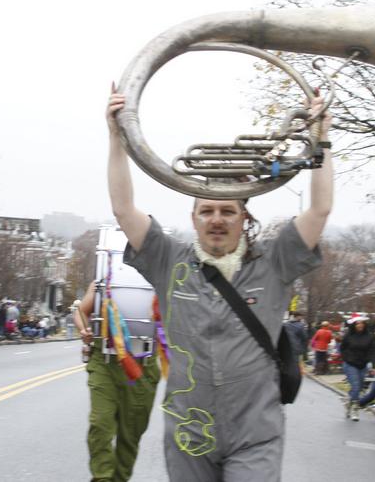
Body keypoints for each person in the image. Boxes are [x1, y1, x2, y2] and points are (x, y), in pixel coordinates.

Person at [106, 88, 333, 481]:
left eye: (227, 210)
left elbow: (320, 209)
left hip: (255, 434)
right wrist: (116, 138)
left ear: (244, 217)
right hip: (189, 433)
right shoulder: (169, 259)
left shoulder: (274, 261)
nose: (216, 219)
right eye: (206, 210)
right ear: (193, 218)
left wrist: (322, 139)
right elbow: (124, 209)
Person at [73, 279, 161, 482]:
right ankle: (102, 478)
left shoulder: (161, 274)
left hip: (143, 367)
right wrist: (84, 330)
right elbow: (80, 312)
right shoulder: (103, 280)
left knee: (130, 435)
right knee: (100, 424)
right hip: (105, 363)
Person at [340, 314, 375, 421]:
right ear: (354, 325)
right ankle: (355, 409)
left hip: (362, 364)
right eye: (357, 323)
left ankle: (349, 403)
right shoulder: (348, 336)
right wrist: (346, 358)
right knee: (356, 386)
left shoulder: (369, 336)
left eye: (361, 323)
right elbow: (342, 348)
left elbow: (373, 351)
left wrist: (373, 366)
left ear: (364, 324)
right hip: (350, 364)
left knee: (359, 388)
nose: (359, 325)